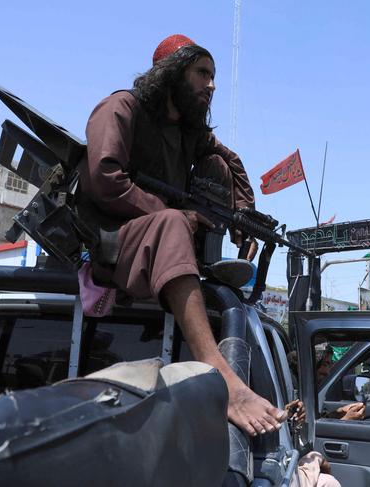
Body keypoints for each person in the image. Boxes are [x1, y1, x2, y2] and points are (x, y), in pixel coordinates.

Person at [77, 34, 285, 437]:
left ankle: (191, 268)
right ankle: (222, 376)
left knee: (214, 168)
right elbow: (105, 179)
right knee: (173, 223)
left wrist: (242, 215)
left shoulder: (190, 132)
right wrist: (173, 215)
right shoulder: (123, 107)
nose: (211, 85)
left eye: (214, 76)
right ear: (173, 73)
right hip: (113, 238)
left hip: (162, 237)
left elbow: (231, 161)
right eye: (202, 73)